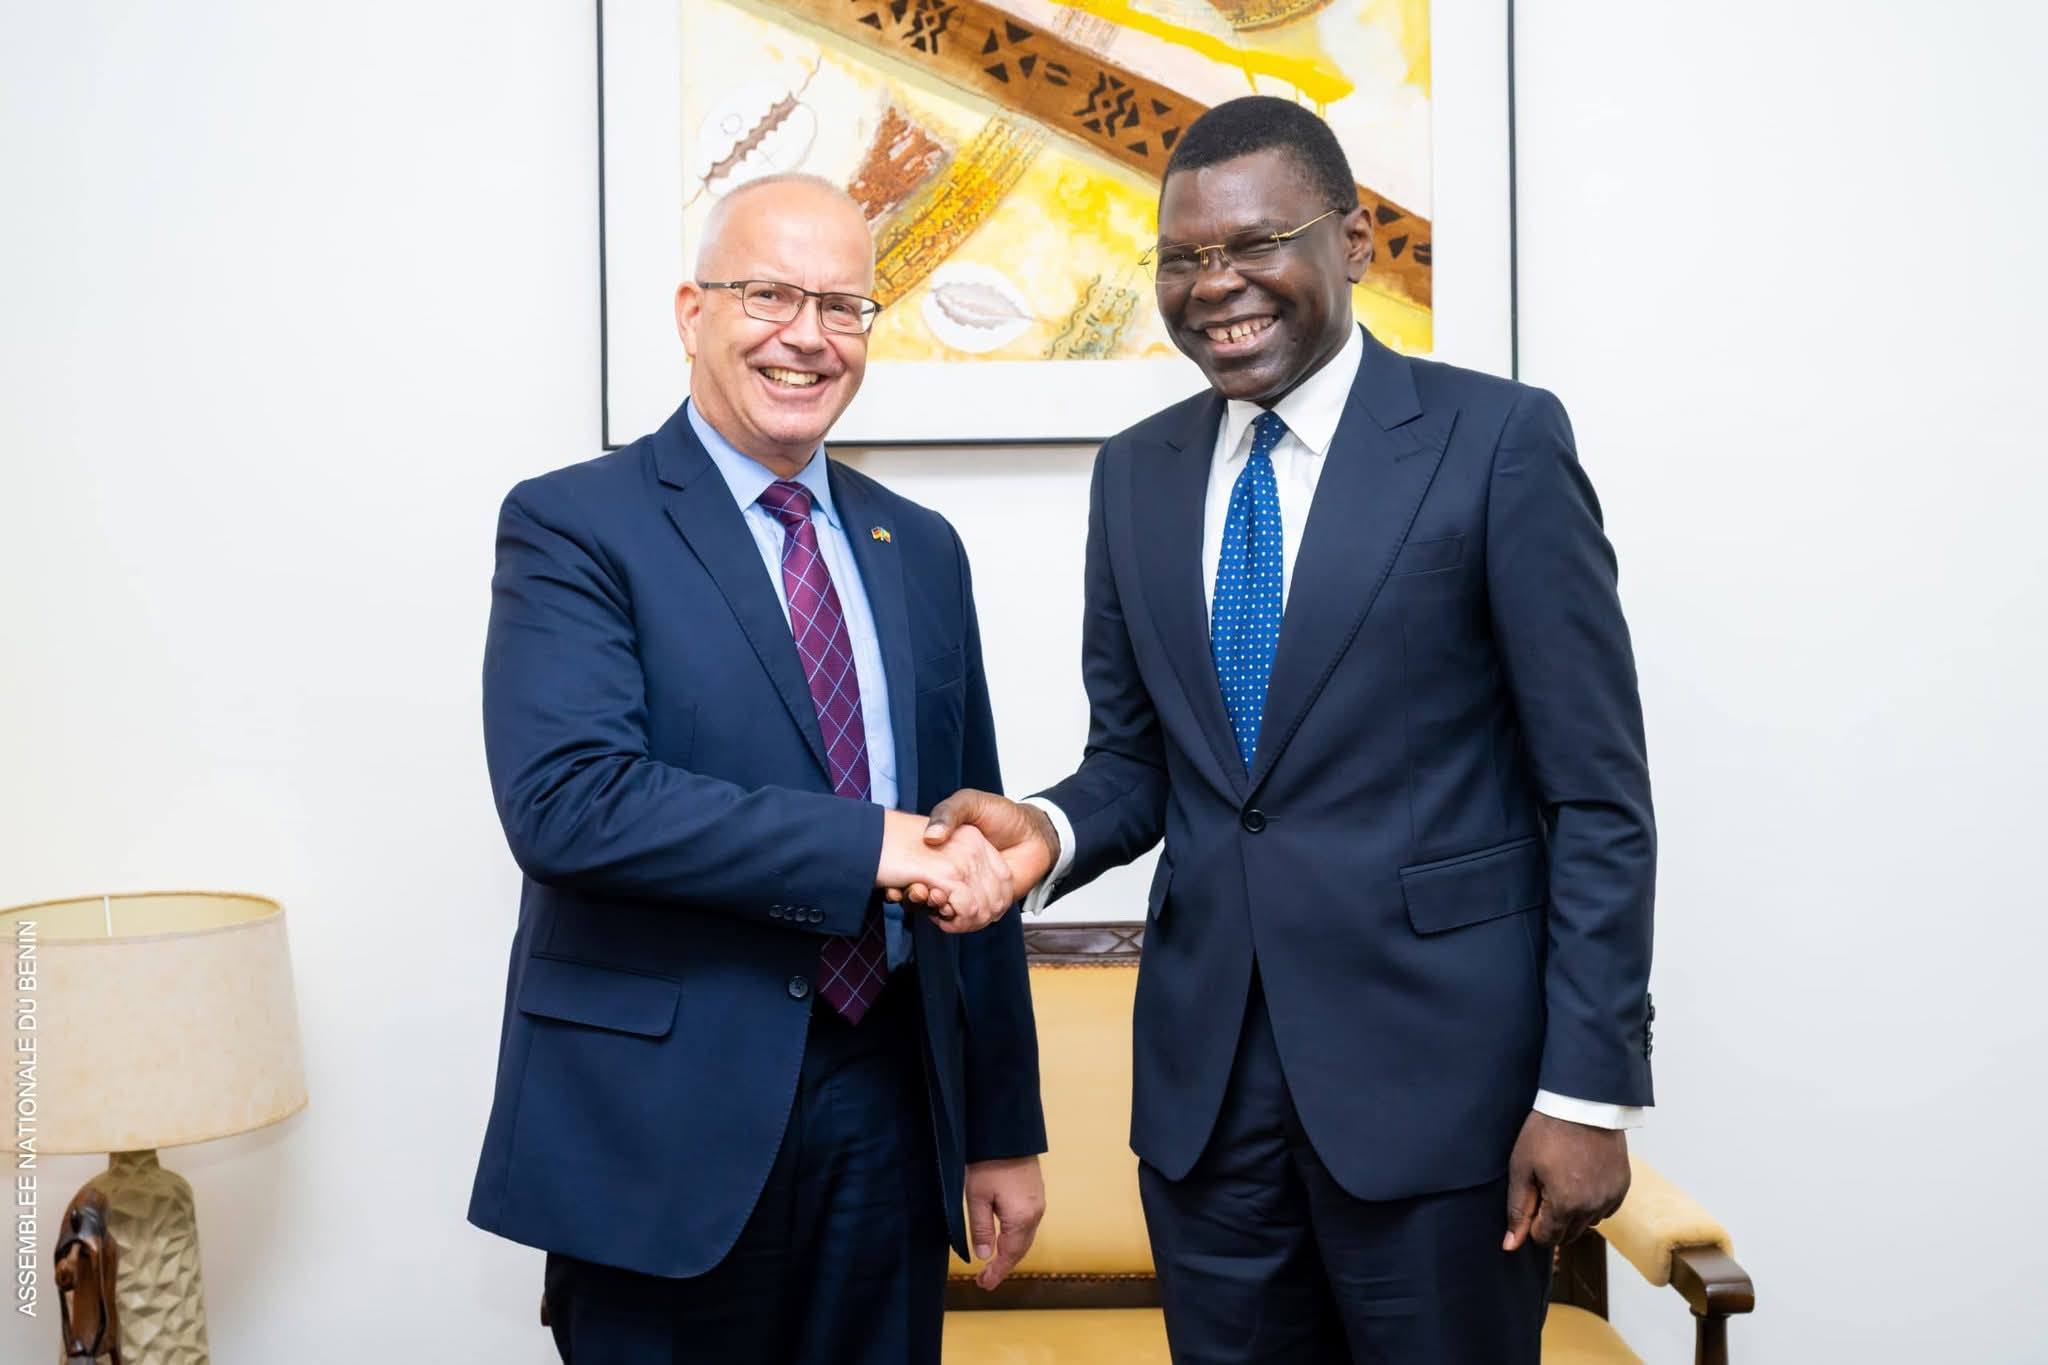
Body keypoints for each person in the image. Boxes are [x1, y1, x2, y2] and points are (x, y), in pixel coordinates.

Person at [913, 97, 1655, 1361]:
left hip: (1439, 1103)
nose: (1216, 287)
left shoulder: (1495, 444)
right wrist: (1040, 830)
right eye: (1181, 258)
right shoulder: (1135, 473)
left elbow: (1594, 796)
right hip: (1206, 1113)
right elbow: (1141, 761)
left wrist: (1583, 1092)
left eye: (1254, 244)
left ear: (1353, 243)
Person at [468, 173, 1047, 1365]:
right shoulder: (575, 523)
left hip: (889, 1109)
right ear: (692, 312)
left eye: (842, 306)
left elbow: (967, 834)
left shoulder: (918, 548)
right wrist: (866, 846)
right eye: (769, 294)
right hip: (657, 1128)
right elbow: (568, 803)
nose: (807, 336)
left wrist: (999, 1129)